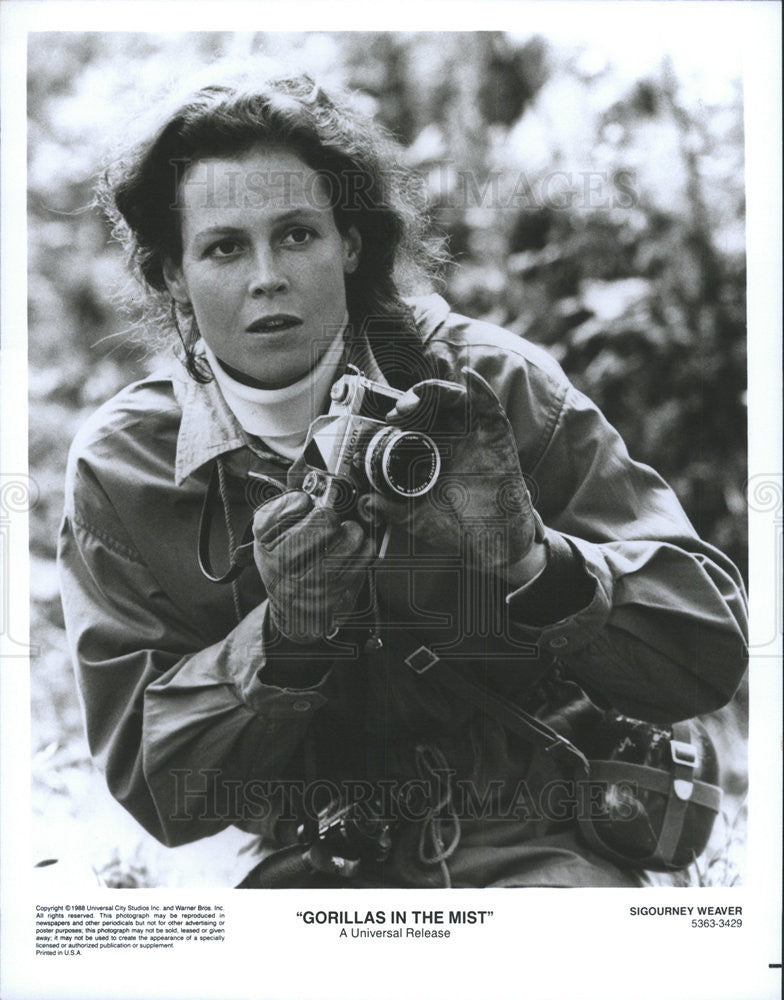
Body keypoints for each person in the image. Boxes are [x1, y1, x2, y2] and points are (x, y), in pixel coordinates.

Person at [57, 68, 748, 888]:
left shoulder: (488, 382)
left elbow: (707, 654)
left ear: (350, 243)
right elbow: (157, 789)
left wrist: (533, 561)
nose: (266, 276)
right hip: (309, 859)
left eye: (298, 234)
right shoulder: (125, 469)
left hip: (536, 831)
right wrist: (283, 639)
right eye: (223, 247)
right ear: (171, 273)